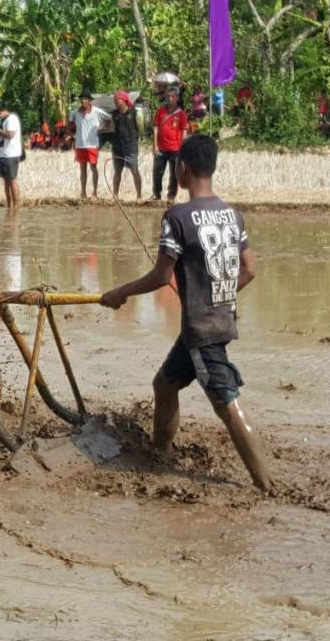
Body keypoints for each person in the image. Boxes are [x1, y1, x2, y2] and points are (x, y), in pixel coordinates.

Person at [99, 134, 273, 491]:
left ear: (182, 170)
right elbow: (250, 269)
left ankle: (267, 483)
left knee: (226, 402)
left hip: (201, 328)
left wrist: (120, 292)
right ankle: (159, 452)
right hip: (217, 319)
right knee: (164, 384)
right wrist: (218, 294)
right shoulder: (232, 215)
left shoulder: (177, 217)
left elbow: (162, 275)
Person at [69, 91, 110, 199]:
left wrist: (102, 128)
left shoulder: (96, 111)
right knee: (82, 168)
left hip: (92, 144)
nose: (83, 101)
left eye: (85, 99)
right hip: (80, 144)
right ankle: (83, 192)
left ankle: (95, 193)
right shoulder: (75, 113)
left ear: (89, 100)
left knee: (93, 167)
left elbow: (108, 118)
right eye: (82, 99)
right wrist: (71, 133)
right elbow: (70, 124)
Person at [151, 88, 189, 202]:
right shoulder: (160, 111)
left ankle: (171, 195)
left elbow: (184, 131)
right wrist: (155, 145)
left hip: (175, 148)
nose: (170, 98)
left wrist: (183, 147)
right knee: (157, 172)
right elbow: (155, 127)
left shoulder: (181, 114)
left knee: (174, 174)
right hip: (161, 148)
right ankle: (156, 194)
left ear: (177, 98)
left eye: (172, 96)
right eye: (168, 96)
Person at [110, 90, 142, 200]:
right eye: (115, 99)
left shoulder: (134, 112)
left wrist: (138, 138)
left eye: (117, 99)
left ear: (124, 100)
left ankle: (139, 196)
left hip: (131, 146)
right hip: (117, 147)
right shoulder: (114, 114)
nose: (115, 101)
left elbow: (139, 128)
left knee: (134, 170)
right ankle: (115, 195)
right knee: (117, 171)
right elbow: (111, 128)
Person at [0, 102, 23, 210]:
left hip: (11, 154)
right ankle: (9, 205)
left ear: (0, 112)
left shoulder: (11, 119)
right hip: (3, 154)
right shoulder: (4, 121)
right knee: (6, 180)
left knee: (12, 179)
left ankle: (16, 206)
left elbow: (10, 135)